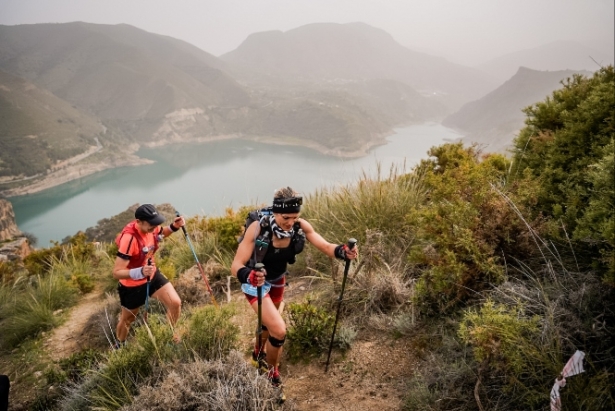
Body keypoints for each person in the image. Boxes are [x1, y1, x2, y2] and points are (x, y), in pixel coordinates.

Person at [231, 187, 358, 387]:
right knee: (279, 330)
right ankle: (271, 374)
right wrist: (250, 276)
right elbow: (236, 265)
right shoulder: (257, 228)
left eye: (295, 217)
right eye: (286, 217)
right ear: (275, 212)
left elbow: (326, 247)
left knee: (268, 324)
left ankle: (257, 352)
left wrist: (343, 251)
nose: (290, 223)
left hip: (278, 279)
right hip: (255, 282)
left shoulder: (300, 226)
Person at [113, 203, 185, 347]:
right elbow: (116, 273)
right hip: (132, 286)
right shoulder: (129, 239)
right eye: (150, 225)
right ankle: (119, 345)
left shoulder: (151, 228)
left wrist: (174, 227)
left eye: (155, 223)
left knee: (175, 303)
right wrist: (140, 272)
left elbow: (161, 233)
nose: (154, 227)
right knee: (127, 320)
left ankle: (167, 337)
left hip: (152, 276)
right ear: (138, 222)